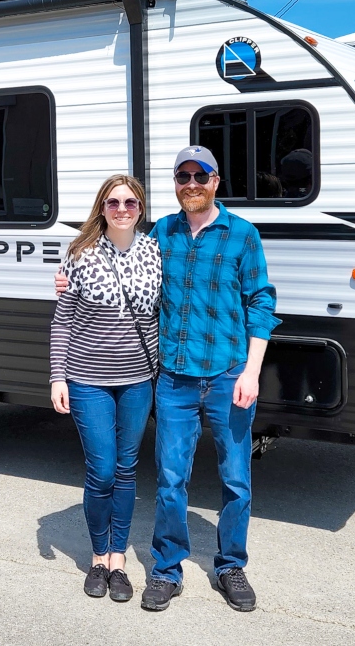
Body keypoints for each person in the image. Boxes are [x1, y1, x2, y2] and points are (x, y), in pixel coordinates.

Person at [56, 147, 279, 613]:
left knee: (236, 478)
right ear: (175, 183)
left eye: (202, 174)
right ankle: (166, 570)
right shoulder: (162, 235)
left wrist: (252, 371)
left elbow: (261, 303)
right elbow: (116, 271)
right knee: (170, 480)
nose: (192, 182)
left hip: (228, 375)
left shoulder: (242, 235)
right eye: (183, 175)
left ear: (217, 181)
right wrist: (64, 279)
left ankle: (230, 565)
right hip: (174, 380)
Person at [49, 174, 162, 603]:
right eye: (113, 203)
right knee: (102, 470)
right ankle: (98, 557)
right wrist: (57, 376)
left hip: (138, 379)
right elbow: (62, 321)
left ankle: (118, 559)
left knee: (127, 469)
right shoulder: (80, 254)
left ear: (140, 208)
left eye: (130, 203)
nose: (121, 209)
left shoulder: (155, 251)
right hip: (88, 380)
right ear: (101, 208)